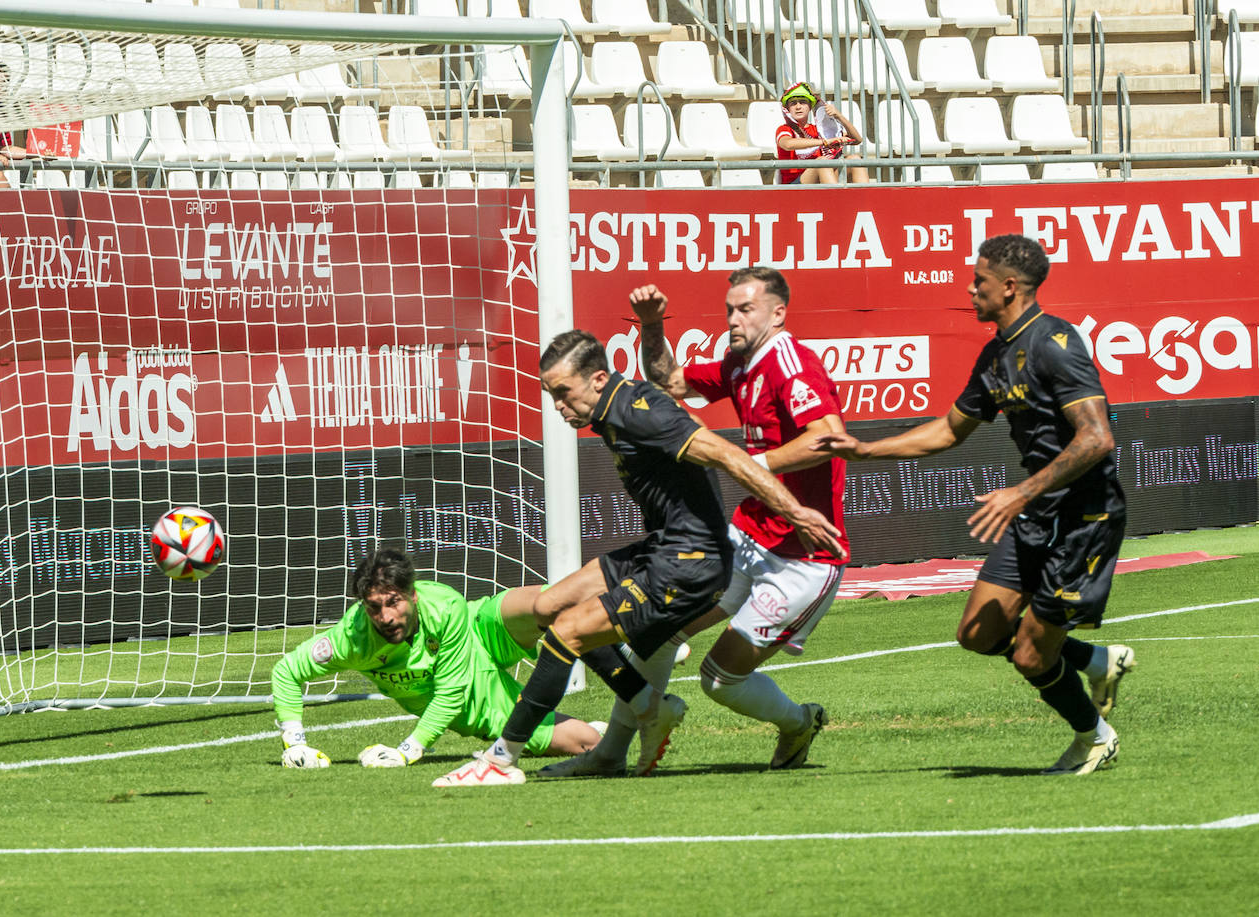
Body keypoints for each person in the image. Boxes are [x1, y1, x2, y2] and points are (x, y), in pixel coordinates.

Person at [432, 330, 844, 788]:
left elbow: (725, 454)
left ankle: (500, 760)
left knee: (569, 634)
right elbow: (669, 381)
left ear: (599, 379)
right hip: (664, 548)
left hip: (691, 562)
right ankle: (650, 707)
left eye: (564, 393)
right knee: (550, 608)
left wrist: (796, 512)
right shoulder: (610, 407)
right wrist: (650, 323)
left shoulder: (639, 414)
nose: (558, 406)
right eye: (551, 395)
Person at [813, 234, 1136, 776]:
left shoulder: (1055, 342)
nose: (970, 288)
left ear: (1009, 287)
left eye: (979, 280)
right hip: (1035, 512)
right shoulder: (995, 355)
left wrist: (1022, 491)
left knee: (1032, 655)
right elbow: (948, 430)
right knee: (977, 635)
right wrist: (865, 448)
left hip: (1084, 517)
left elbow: (1097, 438)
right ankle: (1095, 660)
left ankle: (1094, 737)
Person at [538, 268, 848, 779]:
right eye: (729, 309)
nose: (733, 319)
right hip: (746, 537)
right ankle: (610, 754)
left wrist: (749, 466)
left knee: (718, 680)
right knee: (656, 632)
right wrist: (652, 324)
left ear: (778, 313)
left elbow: (828, 436)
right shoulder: (742, 364)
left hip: (803, 557)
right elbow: (671, 382)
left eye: (745, 309)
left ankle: (798, 722)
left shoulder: (789, 363)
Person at [273, 548, 603, 769]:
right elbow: (286, 672)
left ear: (413, 595)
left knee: (549, 602)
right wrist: (294, 744)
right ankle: (603, 729)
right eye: (374, 607)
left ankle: (628, 596)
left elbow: (449, 682)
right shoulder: (352, 639)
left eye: (394, 602)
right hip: (476, 698)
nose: (385, 616)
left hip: (478, 630)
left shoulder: (446, 606)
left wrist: (408, 750)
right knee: (588, 742)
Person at [775, 80, 869, 186]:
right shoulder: (784, 129)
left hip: (819, 179)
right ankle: (835, 199)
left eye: (802, 102)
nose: (798, 107)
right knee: (822, 162)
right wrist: (824, 142)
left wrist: (839, 116)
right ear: (787, 108)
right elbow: (788, 144)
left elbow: (857, 140)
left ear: (810, 106)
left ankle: (867, 200)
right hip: (793, 185)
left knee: (855, 160)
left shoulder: (819, 129)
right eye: (793, 103)